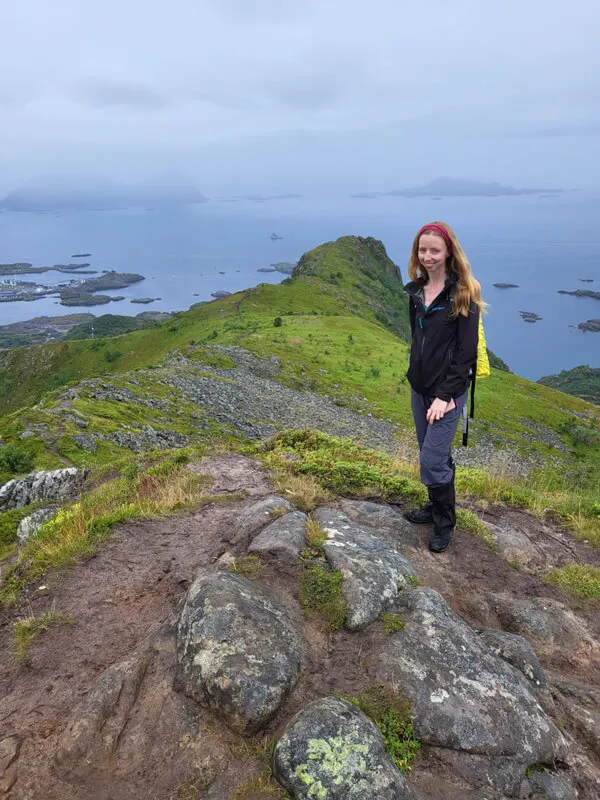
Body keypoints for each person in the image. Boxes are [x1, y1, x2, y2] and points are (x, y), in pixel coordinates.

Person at [403, 221, 485, 552]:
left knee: (433, 459)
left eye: (434, 250)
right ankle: (434, 507)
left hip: (446, 395)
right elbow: (418, 339)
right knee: (431, 454)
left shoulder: (464, 293)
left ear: (448, 251)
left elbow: (466, 353)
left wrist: (445, 396)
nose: (428, 256)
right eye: (423, 250)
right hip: (419, 388)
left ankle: (445, 523)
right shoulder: (415, 291)